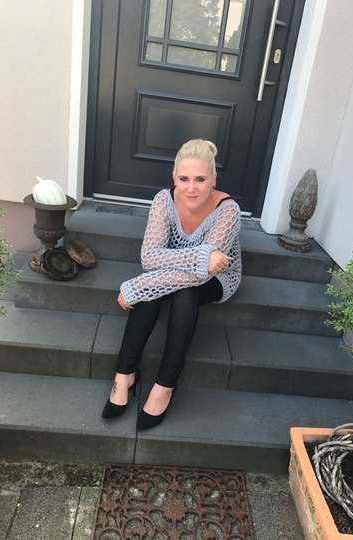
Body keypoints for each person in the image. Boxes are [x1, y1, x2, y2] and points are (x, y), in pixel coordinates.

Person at [102, 139, 242, 430]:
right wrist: (201, 256)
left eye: (200, 179)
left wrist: (138, 286)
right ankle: (125, 373)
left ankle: (165, 384)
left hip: (216, 279)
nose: (191, 188)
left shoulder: (228, 210)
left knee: (183, 292)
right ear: (174, 178)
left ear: (213, 179)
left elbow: (205, 273)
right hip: (175, 270)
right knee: (155, 292)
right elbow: (150, 257)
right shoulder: (163, 200)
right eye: (184, 179)